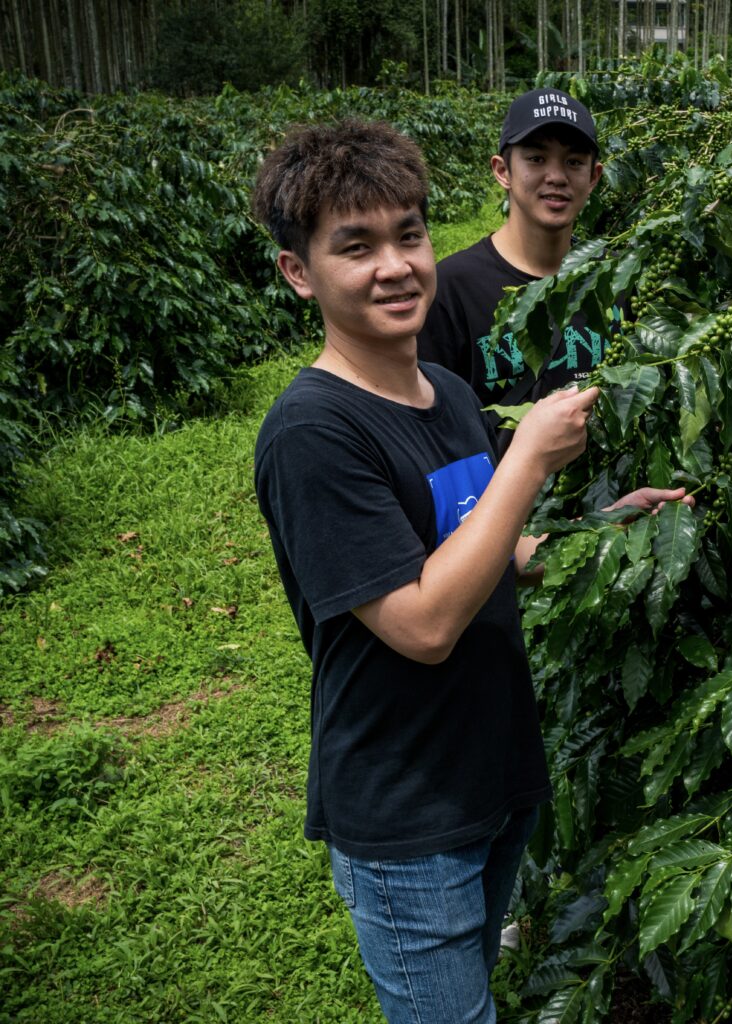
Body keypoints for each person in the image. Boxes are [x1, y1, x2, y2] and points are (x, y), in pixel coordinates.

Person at [249, 119, 611, 1024]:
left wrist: (606, 533)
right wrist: (529, 459)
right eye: (356, 247)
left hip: (494, 770)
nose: (395, 267)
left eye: (408, 236)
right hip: (409, 814)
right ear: (299, 272)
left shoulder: (447, 394)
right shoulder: (313, 433)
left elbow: (490, 549)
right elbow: (421, 623)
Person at [419, 87, 619, 443]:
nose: (556, 176)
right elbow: (432, 429)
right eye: (536, 159)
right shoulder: (449, 289)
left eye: (574, 162)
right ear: (503, 171)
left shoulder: (616, 277)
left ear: (594, 177)